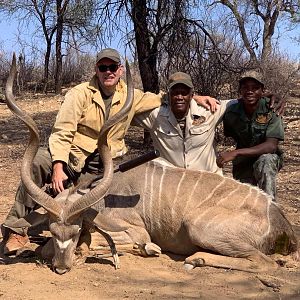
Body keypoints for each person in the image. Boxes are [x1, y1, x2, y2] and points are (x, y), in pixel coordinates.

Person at [1, 49, 215, 255]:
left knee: (97, 206)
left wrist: (196, 98)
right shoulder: (79, 93)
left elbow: (163, 97)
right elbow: (62, 131)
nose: (108, 71)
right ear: (97, 70)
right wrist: (58, 165)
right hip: (73, 158)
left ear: (120, 70)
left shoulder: (131, 95)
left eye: (113, 67)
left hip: (105, 165)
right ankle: (14, 230)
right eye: (103, 67)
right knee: (36, 162)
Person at [133, 72, 235, 174]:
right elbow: (127, 111)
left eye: (184, 93)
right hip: (172, 183)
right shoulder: (155, 115)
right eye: (175, 93)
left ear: (191, 95)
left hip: (208, 182)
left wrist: (238, 152)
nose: (179, 97)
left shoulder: (209, 111)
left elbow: (240, 102)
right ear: (168, 95)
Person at [216, 70, 284, 201]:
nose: (250, 91)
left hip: (267, 157)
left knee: (265, 161)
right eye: (245, 87)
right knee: (245, 200)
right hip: (243, 162)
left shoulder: (272, 108)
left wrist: (235, 153)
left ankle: (271, 209)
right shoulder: (231, 112)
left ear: (262, 90)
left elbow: (271, 146)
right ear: (240, 90)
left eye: (255, 88)